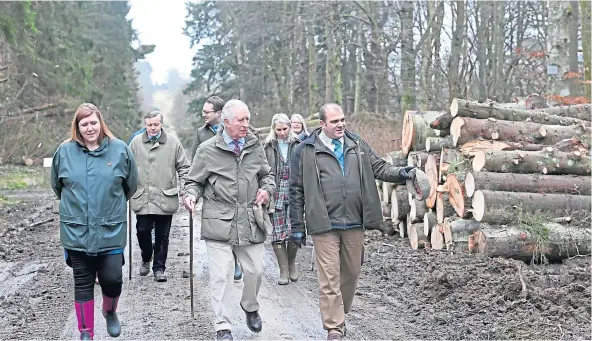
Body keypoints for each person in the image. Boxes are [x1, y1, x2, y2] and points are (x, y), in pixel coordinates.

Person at [289, 103, 415, 340]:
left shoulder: (356, 144)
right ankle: (334, 328)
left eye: (342, 120)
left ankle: (339, 313)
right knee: (329, 278)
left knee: (352, 273)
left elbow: (378, 167)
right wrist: (297, 226)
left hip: (355, 221)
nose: (340, 125)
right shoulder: (304, 150)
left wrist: (401, 172)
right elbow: (295, 190)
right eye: (335, 121)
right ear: (322, 124)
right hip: (323, 224)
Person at [183, 99, 275, 341]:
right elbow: (193, 181)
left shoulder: (255, 146)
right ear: (225, 122)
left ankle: (250, 305)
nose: (246, 124)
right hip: (218, 220)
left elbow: (268, 175)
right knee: (221, 274)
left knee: (256, 270)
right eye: (240, 120)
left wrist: (267, 190)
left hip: (250, 219)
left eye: (247, 119)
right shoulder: (207, 150)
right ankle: (222, 325)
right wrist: (191, 196)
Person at [51, 103, 138, 340]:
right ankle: (86, 333)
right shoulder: (64, 152)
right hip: (76, 230)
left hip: (111, 229)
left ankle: (110, 311)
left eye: (93, 122)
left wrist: (108, 207)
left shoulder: (120, 150)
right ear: (77, 127)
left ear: (101, 123)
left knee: (112, 278)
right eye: (84, 124)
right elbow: (58, 187)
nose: (89, 128)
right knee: (82, 282)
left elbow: (130, 186)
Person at [129, 111, 190, 282]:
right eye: (150, 125)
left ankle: (159, 269)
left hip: (165, 196)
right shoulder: (135, 143)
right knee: (142, 231)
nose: (153, 128)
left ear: (161, 124)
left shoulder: (173, 143)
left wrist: (185, 189)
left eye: (156, 124)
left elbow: (184, 168)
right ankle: (146, 257)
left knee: (163, 236)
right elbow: (126, 167)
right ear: (145, 125)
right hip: (143, 197)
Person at [191, 96, 244, 281]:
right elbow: (196, 163)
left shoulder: (239, 130)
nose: (203, 114)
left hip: (235, 188)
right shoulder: (201, 133)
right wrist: (193, 190)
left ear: (220, 114)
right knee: (219, 227)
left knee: (237, 225)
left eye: (207, 112)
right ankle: (223, 262)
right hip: (213, 191)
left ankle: (236, 261)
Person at [263, 113, 301, 285]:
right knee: (278, 232)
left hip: (295, 193)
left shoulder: (299, 145)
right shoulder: (268, 147)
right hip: (276, 193)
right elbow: (263, 171)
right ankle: (283, 269)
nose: (282, 133)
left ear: (290, 127)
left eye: (285, 129)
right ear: (273, 129)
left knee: (294, 231)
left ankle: (291, 263)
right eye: (278, 130)